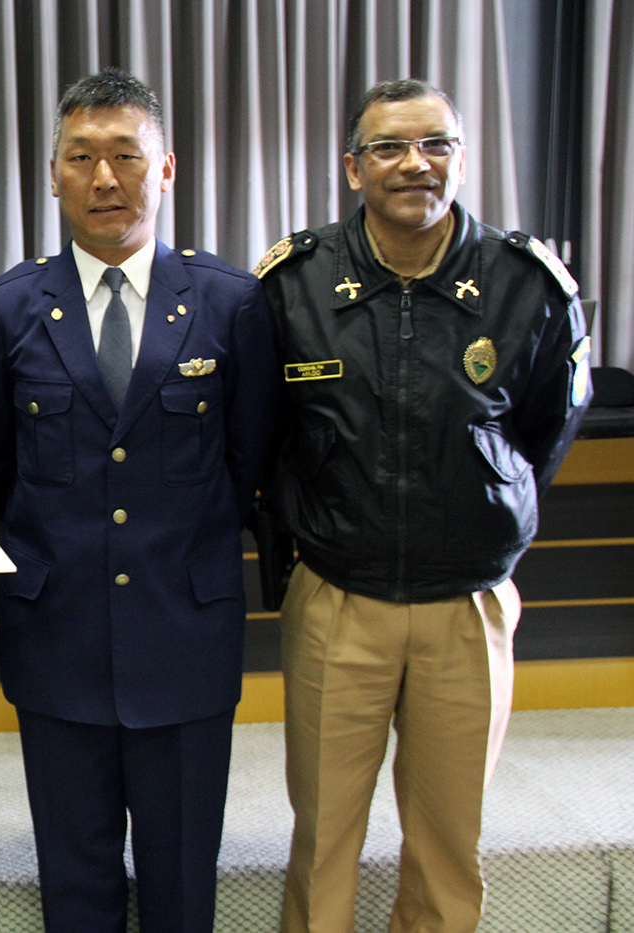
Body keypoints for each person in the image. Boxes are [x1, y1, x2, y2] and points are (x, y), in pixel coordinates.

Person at [253, 79, 591, 933]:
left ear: (462, 159)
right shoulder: (294, 283)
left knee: (450, 842)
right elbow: (262, 434)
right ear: (352, 168)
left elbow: (545, 430)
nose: (415, 164)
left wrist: (484, 510)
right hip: (337, 596)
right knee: (323, 837)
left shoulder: (526, 284)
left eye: (436, 144)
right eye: (390, 148)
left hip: (467, 605)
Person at [0, 68, 282, 932]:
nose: (104, 178)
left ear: (166, 168)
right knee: (75, 884)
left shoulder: (231, 302)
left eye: (126, 156)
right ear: (54, 175)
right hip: (57, 636)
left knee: (182, 885)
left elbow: (247, 462)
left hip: (185, 636)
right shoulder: (3, 310)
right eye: (81, 157)